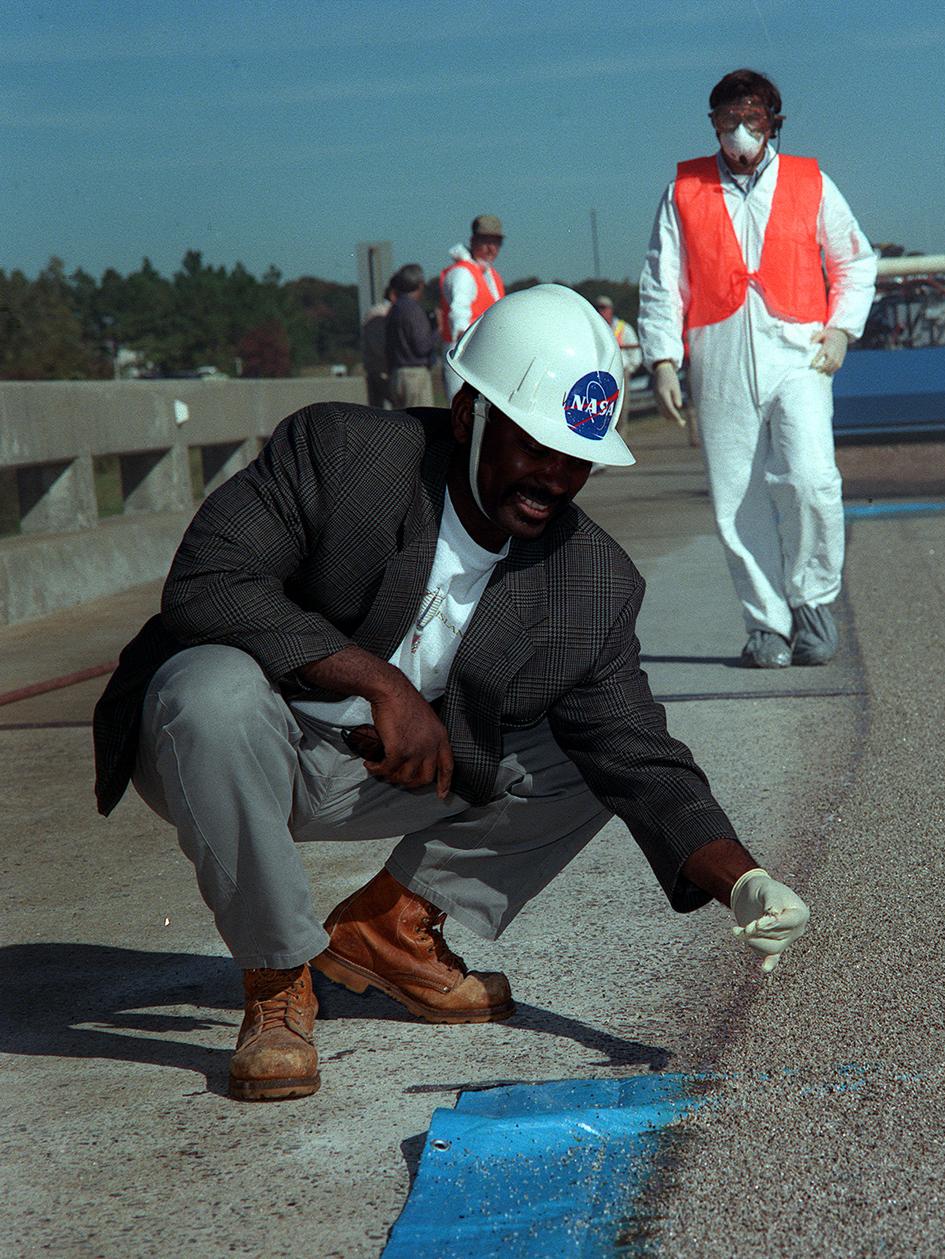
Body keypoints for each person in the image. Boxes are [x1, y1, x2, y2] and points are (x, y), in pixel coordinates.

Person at [92, 284, 810, 1104]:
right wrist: (379, 681)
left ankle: (390, 930)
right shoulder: (344, 455)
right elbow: (205, 580)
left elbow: (638, 751)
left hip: (388, 775)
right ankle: (277, 979)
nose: (556, 478)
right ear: (470, 415)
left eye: (577, 458)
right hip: (235, 746)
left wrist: (743, 879)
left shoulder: (591, 582)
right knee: (208, 688)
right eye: (536, 445)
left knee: (588, 762)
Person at [638, 68, 877, 670]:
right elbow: (662, 282)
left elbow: (854, 259)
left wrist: (843, 328)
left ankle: (814, 602)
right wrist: (663, 358)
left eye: (753, 119)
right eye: (727, 120)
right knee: (735, 497)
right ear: (713, 123)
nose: (739, 132)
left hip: (799, 349)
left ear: (774, 123)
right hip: (717, 353)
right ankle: (766, 625)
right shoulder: (683, 190)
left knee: (811, 479)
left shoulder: (809, 181)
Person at [440, 214, 506, 400]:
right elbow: (459, 313)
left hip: (485, 355)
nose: (491, 248)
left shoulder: (490, 274)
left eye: (496, 243)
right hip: (465, 356)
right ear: (473, 240)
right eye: (486, 241)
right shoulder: (463, 273)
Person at [385, 264, 438, 409]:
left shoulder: (395, 308)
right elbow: (422, 347)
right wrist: (437, 329)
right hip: (414, 376)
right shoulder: (413, 310)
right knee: (420, 425)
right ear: (420, 284)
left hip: (397, 375)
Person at [592, 295, 642, 441]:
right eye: (598, 308)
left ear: (610, 310)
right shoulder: (594, 328)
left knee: (621, 411)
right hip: (600, 375)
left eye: (603, 308)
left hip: (620, 374)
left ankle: (620, 440)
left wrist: (629, 369)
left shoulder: (623, 328)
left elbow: (636, 354)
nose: (600, 311)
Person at [360, 284, 395, 409]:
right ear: (393, 294)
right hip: (384, 370)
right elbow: (380, 345)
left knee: (375, 413)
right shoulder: (385, 313)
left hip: (372, 369)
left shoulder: (372, 311)